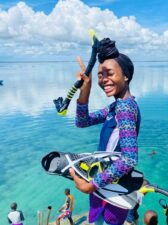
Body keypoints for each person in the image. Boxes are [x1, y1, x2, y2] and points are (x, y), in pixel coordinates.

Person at [69, 38, 141, 225]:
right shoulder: (116, 107)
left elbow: (129, 158)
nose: (104, 80)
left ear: (126, 76)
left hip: (112, 193)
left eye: (109, 74)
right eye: (100, 75)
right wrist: (86, 88)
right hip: (103, 187)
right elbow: (82, 121)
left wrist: (90, 185)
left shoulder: (125, 108)